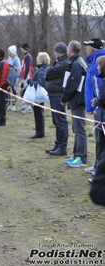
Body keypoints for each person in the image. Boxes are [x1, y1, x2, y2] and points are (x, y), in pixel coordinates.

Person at [62, 40, 88, 167]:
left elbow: (73, 84)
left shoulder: (77, 64)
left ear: (70, 50)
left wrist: (64, 98)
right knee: (76, 129)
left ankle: (81, 157)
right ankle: (76, 155)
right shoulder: (76, 62)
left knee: (80, 130)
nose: (67, 51)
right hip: (75, 100)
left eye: (67, 49)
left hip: (78, 101)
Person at [82, 38, 105, 179]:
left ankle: (100, 169)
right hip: (97, 106)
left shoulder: (101, 62)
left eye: (87, 47)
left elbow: (100, 88)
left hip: (101, 108)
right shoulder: (92, 63)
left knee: (101, 141)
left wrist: (96, 104)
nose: (85, 49)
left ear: (92, 48)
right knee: (98, 140)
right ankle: (97, 164)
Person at [44, 42, 70, 156]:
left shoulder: (64, 63)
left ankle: (62, 146)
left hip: (58, 95)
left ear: (59, 52)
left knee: (60, 121)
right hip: (53, 94)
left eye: (55, 51)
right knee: (56, 121)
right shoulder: (59, 62)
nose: (54, 53)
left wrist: (49, 71)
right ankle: (58, 144)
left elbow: (49, 72)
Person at [89, 55, 105, 205]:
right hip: (100, 113)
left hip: (103, 117)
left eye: (99, 65)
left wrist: (97, 101)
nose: (97, 67)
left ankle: (99, 173)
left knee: (101, 146)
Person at [26, 52, 50, 138]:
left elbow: (41, 82)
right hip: (37, 94)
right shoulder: (41, 69)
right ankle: (39, 131)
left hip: (38, 95)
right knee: (38, 112)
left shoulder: (41, 70)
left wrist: (30, 82)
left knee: (38, 113)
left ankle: (40, 132)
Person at [19, 43, 34, 113]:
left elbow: (27, 68)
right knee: (21, 91)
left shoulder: (27, 56)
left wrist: (24, 78)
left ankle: (28, 107)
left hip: (27, 77)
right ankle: (24, 106)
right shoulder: (26, 56)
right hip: (24, 76)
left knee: (24, 92)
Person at [7, 45, 21, 111]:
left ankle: (13, 104)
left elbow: (18, 69)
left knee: (14, 91)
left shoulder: (16, 59)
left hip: (14, 77)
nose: (8, 53)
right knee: (7, 90)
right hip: (8, 77)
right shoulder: (8, 59)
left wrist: (17, 77)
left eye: (9, 51)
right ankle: (7, 103)